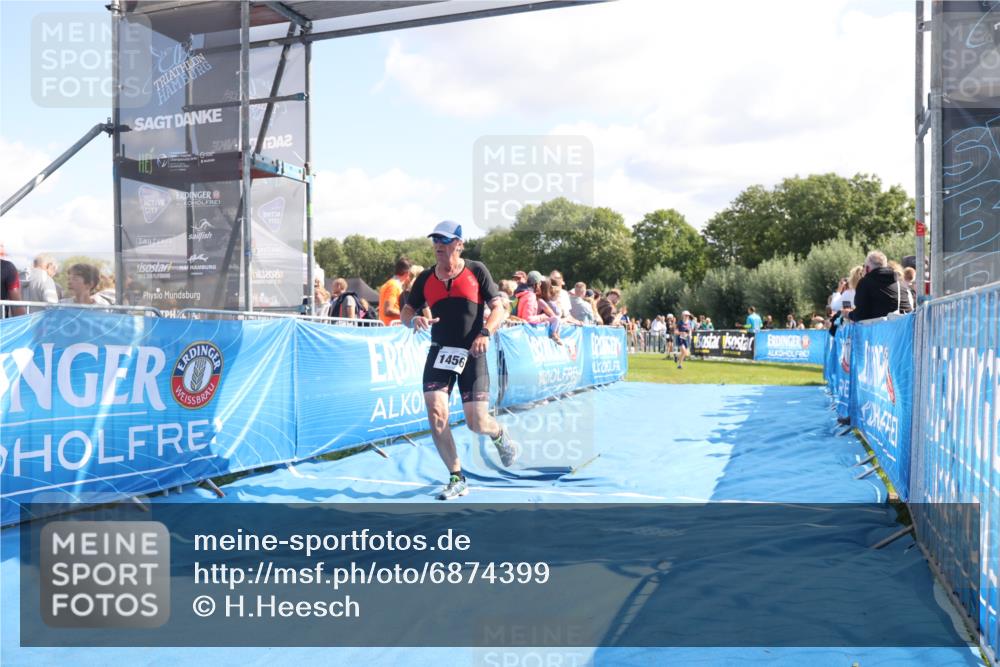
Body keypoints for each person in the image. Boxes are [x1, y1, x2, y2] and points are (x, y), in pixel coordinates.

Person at [401, 220, 520, 500]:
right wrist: (414, 319)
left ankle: (499, 433)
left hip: (472, 352)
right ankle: (457, 477)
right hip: (440, 351)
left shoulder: (476, 270)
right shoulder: (426, 279)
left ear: (459, 244)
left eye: (444, 242)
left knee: (476, 422)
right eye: (435, 242)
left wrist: (485, 332)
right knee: (435, 411)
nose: (438, 247)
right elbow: (406, 312)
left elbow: (500, 308)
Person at [849, 251, 914, 322]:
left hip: (880, 331)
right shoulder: (900, 284)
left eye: (864, 266)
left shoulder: (865, 283)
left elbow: (860, 315)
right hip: (905, 330)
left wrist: (848, 314)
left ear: (867, 269)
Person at [378, 257, 412, 325]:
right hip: (392, 329)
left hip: (391, 327)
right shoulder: (393, 285)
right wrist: (407, 315)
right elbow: (388, 310)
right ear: (407, 273)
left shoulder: (391, 284)